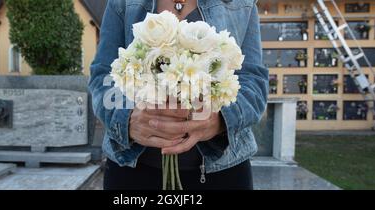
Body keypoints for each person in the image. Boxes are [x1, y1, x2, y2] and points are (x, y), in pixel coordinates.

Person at [89, 0, 269, 190]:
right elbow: (103, 76)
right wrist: (126, 119)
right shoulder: (122, 3)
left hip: (223, 172)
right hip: (131, 172)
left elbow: (254, 82)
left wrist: (220, 120)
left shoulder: (242, 4)